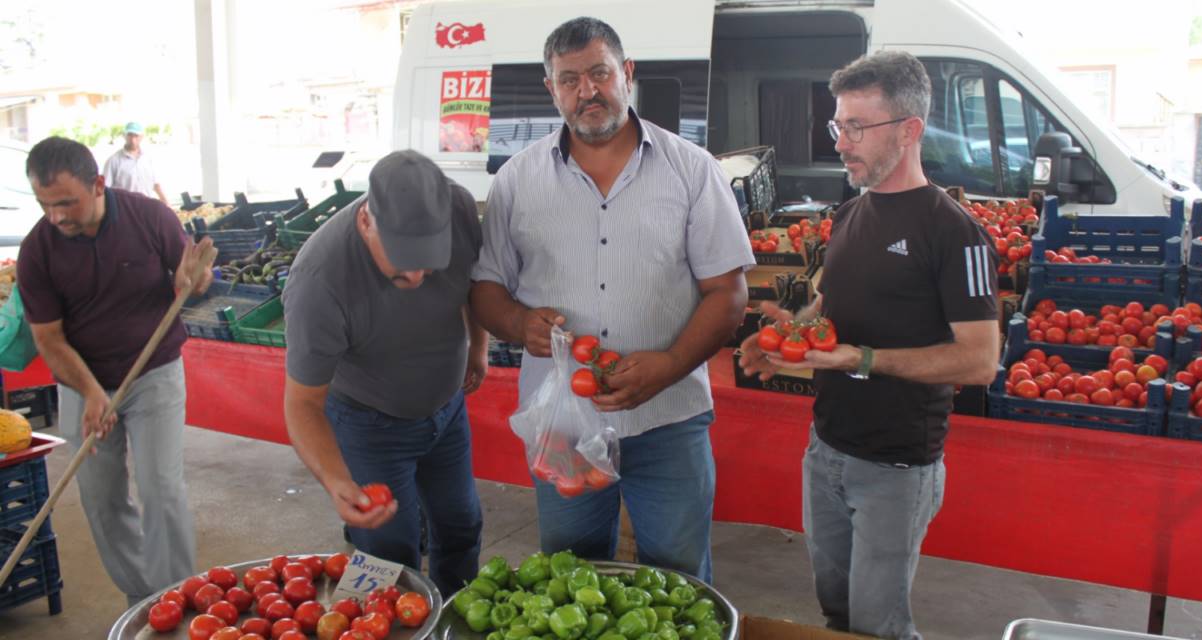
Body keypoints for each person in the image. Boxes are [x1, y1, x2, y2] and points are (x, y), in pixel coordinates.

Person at [470, 17, 754, 583]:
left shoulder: (693, 171)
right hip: (563, 426)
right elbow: (485, 290)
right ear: (551, 90)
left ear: (626, 74)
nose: (587, 91)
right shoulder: (516, 181)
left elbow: (729, 293)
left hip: (668, 419)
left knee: (678, 580)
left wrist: (671, 366)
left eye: (599, 73)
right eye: (569, 80)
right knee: (571, 578)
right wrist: (517, 321)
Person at [739, 51, 1000, 640]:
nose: (840, 142)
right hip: (825, 449)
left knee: (878, 626)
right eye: (839, 125)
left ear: (909, 130)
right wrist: (788, 331)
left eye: (857, 127)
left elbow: (981, 361)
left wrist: (861, 359)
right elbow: (826, 309)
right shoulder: (851, 214)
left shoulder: (957, 234)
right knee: (836, 615)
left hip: (896, 467)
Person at [17, 136, 214, 606]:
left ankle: (180, 600)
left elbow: (192, 281)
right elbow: (49, 339)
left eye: (67, 202)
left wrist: (193, 281)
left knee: (160, 488)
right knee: (101, 498)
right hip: (81, 382)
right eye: (46, 205)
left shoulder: (150, 218)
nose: (57, 216)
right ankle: (146, 598)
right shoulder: (38, 251)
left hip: (154, 373)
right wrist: (90, 392)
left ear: (99, 184)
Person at [282, 149, 487, 596]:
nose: (415, 277)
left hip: (447, 410)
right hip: (369, 423)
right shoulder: (320, 280)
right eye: (400, 264)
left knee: (461, 525)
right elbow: (302, 403)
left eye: (427, 262)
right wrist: (336, 481)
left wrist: (479, 346)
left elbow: (474, 283)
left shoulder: (458, 208)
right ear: (365, 221)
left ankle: (453, 619)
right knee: (387, 554)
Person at [102, 121, 167, 203]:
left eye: (136, 136)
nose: (133, 140)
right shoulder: (113, 161)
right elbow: (105, 190)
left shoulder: (148, 159)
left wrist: (166, 203)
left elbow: (156, 184)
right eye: (130, 135)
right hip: (125, 209)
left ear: (142, 137)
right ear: (124, 136)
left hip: (146, 207)